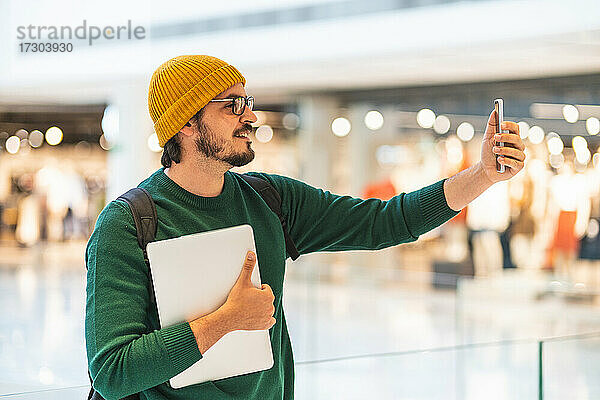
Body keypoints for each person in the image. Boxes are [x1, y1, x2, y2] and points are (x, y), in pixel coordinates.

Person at [85, 55, 525, 400]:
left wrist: (483, 174)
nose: (251, 117)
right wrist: (225, 321)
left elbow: (385, 222)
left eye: (249, 103)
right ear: (185, 123)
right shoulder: (127, 224)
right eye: (232, 105)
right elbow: (112, 371)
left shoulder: (271, 200)